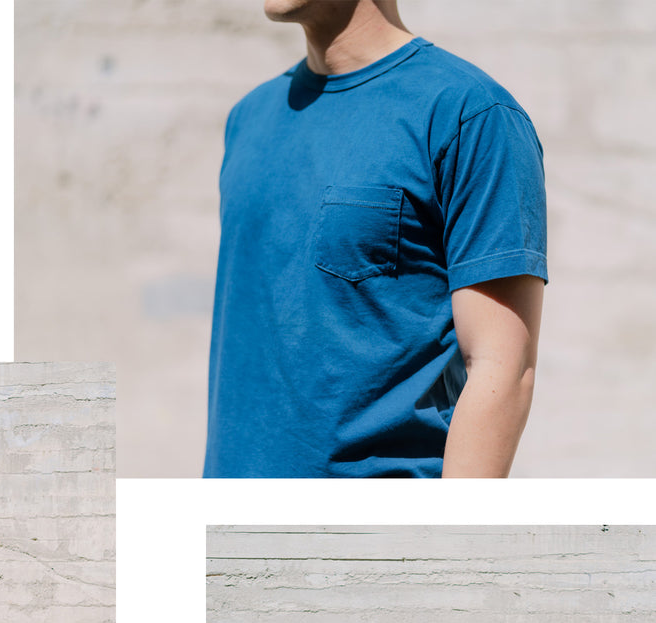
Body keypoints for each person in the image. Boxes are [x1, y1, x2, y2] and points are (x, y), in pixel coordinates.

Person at [205, 1, 547, 478]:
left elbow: (503, 368)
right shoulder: (249, 118)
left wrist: (449, 544)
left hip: (375, 538)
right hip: (227, 524)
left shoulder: (471, 115)